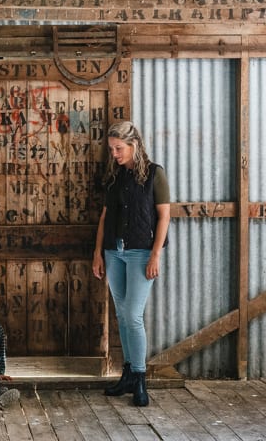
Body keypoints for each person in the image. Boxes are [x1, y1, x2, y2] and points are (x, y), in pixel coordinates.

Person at [91, 120, 171, 407]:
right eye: (111, 149)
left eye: (118, 148)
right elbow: (104, 217)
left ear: (134, 145)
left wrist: (155, 255)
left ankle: (139, 378)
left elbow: (164, 216)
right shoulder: (113, 177)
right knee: (122, 316)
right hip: (114, 252)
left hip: (141, 254)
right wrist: (98, 253)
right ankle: (127, 373)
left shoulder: (154, 174)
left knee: (133, 316)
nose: (114, 154)